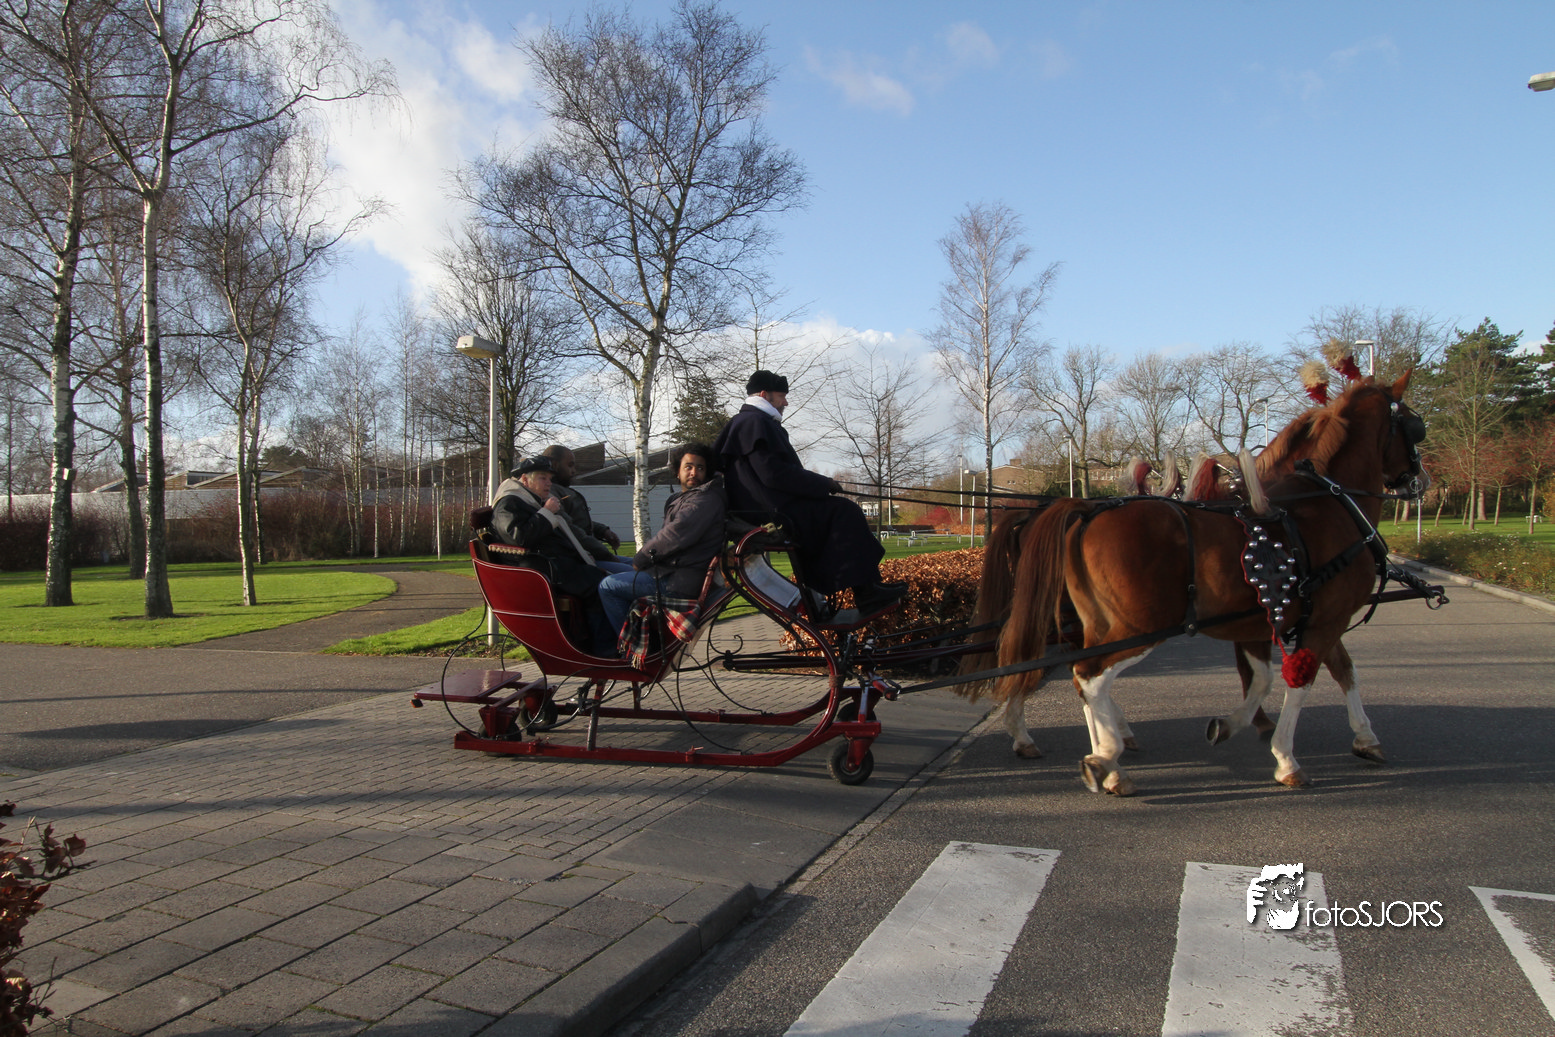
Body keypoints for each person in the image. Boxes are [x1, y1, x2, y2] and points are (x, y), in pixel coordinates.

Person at [712, 370, 904, 617]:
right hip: (772, 513)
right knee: (844, 511)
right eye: (782, 396)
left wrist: (821, 486)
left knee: (840, 510)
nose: (785, 402)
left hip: (770, 507)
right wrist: (823, 484)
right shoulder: (754, 423)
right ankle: (867, 592)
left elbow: (774, 474)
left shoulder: (750, 422)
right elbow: (773, 474)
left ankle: (869, 587)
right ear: (764, 395)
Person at [598, 443, 727, 636]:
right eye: (688, 467)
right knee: (602, 564)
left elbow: (674, 535)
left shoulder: (704, 500)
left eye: (700, 468)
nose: (694, 472)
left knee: (608, 586)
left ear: (706, 472)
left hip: (678, 582)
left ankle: (628, 645)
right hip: (669, 570)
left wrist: (641, 559)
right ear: (678, 471)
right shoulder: (689, 497)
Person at [490, 456, 614, 653]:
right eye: (543, 478)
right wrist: (547, 513)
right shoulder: (509, 503)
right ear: (525, 479)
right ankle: (604, 650)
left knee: (608, 580)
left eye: (549, 478)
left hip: (554, 565)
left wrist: (582, 554)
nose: (549, 483)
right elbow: (519, 537)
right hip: (542, 570)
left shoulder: (529, 501)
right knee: (603, 586)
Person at [540, 444, 634, 574]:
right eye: (570, 465)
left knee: (640, 565)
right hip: (580, 559)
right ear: (555, 465)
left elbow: (577, 522)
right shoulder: (551, 494)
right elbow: (572, 530)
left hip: (588, 555)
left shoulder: (561, 490)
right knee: (633, 574)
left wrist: (603, 530)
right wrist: (606, 554)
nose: (574, 471)